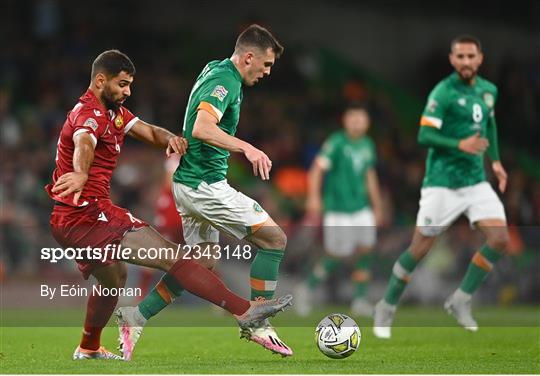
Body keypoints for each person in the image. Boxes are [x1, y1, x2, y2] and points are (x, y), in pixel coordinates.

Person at [46, 49, 292, 361]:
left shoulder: (113, 113)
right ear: (100, 80)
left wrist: (170, 139)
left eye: (130, 85)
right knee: (173, 258)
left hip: (74, 218)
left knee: (114, 279)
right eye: (122, 85)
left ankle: (89, 347)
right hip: (87, 215)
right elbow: (84, 141)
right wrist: (81, 172)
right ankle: (245, 311)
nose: (127, 91)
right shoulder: (89, 115)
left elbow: (147, 130)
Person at [118, 24, 293, 357]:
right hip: (205, 186)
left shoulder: (216, 69)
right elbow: (201, 126)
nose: (268, 72)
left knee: (201, 265)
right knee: (274, 240)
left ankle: (135, 316)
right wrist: (248, 148)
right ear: (249, 57)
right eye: (266, 65)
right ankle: (258, 321)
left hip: (189, 184)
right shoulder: (225, 80)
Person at [373, 35, 509, 339]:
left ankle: (461, 299)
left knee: (500, 239)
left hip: (475, 181)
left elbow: (490, 125)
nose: (465, 62)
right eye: (459, 57)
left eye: (470, 56)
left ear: (479, 59)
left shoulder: (489, 91)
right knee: (420, 248)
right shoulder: (443, 93)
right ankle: (387, 305)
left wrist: (496, 162)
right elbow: (424, 135)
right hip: (442, 183)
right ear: (452, 60)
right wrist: (460, 143)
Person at [295, 103, 383, 317]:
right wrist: (314, 197)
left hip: (361, 207)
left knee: (365, 251)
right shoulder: (336, 142)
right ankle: (305, 289)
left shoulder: (367, 144)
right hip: (338, 208)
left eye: (361, 119)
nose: (357, 123)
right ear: (345, 121)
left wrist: (377, 205)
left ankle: (360, 300)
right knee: (336, 254)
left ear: (367, 122)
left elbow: (369, 176)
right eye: (353, 118)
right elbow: (317, 169)